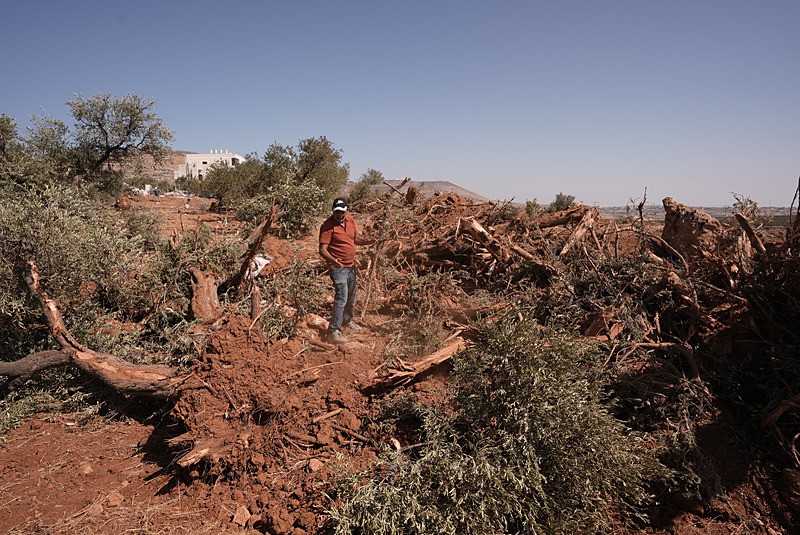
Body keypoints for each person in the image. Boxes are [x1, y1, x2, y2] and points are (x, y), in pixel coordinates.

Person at [318, 197, 372, 344]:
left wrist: (371, 241)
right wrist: (332, 260)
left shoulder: (350, 220)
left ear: (346, 211)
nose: (339, 215)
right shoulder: (327, 226)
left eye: (341, 212)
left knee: (351, 297)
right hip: (337, 268)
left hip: (351, 267)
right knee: (341, 297)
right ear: (333, 211)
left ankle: (346, 321)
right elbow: (322, 249)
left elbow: (356, 239)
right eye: (336, 212)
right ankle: (333, 331)